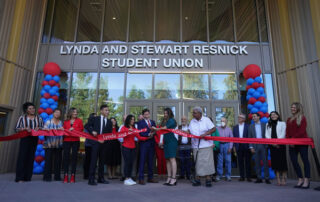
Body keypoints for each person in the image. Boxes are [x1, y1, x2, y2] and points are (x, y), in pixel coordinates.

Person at [15, 102, 44, 182]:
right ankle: (19, 177)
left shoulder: (39, 118)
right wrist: (24, 128)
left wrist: (39, 128)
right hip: (25, 138)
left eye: (33, 108)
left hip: (34, 139)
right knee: (22, 157)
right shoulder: (22, 118)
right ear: (26, 110)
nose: (32, 110)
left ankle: (27, 177)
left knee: (31, 157)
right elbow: (17, 128)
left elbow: (42, 128)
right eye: (30, 109)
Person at [120, 115, 152, 185]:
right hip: (126, 147)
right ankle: (126, 179)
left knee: (131, 163)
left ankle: (129, 178)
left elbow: (139, 137)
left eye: (133, 119)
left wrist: (147, 137)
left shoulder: (134, 128)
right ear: (128, 120)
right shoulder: (124, 127)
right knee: (127, 163)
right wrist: (128, 130)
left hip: (133, 147)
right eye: (131, 119)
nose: (133, 121)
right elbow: (121, 135)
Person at [188, 107, 216, 187]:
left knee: (207, 163)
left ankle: (208, 180)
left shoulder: (206, 120)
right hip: (196, 145)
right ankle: (197, 180)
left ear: (200, 113)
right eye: (193, 113)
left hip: (206, 145)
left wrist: (206, 134)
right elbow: (189, 131)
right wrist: (184, 132)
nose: (193, 114)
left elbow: (213, 129)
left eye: (195, 113)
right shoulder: (192, 121)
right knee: (198, 163)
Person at [286, 102, 310, 189]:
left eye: (294, 108)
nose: (292, 109)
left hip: (302, 143)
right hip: (292, 144)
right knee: (294, 161)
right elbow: (287, 132)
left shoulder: (302, 118)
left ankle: (307, 180)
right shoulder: (289, 119)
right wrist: (289, 141)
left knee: (305, 160)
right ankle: (300, 178)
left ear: (298, 108)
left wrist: (293, 139)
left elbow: (302, 131)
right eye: (291, 107)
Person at [87, 105, 112, 185]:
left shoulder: (109, 122)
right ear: (101, 111)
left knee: (102, 162)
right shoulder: (95, 118)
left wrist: (105, 140)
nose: (107, 112)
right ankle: (91, 179)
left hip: (104, 144)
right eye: (106, 110)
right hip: (95, 143)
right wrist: (92, 131)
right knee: (93, 161)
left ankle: (101, 178)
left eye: (108, 110)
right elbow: (87, 126)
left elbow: (109, 133)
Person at [153, 108, 178, 186]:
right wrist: (160, 141)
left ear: (170, 113)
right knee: (167, 160)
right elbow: (162, 133)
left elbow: (165, 128)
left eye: (166, 113)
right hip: (166, 142)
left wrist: (157, 128)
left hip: (172, 142)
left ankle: (174, 178)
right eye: (164, 113)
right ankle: (169, 177)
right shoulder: (165, 121)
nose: (165, 115)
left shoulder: (172, 120)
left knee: (172, 159)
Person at [265, 111, 287, 186]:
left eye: (274, 114)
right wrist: (273, 144)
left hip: (281, 145)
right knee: (275, 163)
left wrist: (277, 143)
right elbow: (267, 135)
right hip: (272, 146)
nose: (273, 116)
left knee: (282, 163)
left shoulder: (282, 123)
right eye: (271, 115)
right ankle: (278, 180)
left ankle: (284, 179)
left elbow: (283, 134)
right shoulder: (268, 124)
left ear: (278, 115)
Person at [136, 109, 157, 185]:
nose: (147, 115)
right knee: (142, 161)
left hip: (151, 144)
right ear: (143, 115)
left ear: (149, 114)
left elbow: (156, 131)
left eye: (148, 114)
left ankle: (150, 177)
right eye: (145, 114)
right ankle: (141, 178)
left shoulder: (153, 122)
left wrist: (154, 133)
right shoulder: (140, 123)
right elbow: (140, 133)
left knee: (151, 161)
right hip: (144, 144)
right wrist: (148, 135)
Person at [248, 113, 271, 184]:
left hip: (263, 145)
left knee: (265, 162)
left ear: (258, 117)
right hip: (255, 146)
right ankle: (259, 178)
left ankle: (267, 178)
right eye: (252, 117)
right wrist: (251, 147)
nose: (253, 118)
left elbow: (268, 135)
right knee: (257, 162)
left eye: (254, 116)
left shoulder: (265, 125)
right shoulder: (251, 126)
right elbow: (250, 137)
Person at [62, 107, 83, 183]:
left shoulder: (79, 121)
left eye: (76, 112)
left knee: (74, 158)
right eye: (74, 112)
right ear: (70, 113)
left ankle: (73, 176)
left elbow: (81, 130)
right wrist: (68, 130)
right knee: (66, 158)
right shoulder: (65, 121)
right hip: (67, 140)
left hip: (75, 141)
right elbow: (63, 131)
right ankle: (66, 175)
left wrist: (73, 129)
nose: (75, 113)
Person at [43, 109, 64, 181]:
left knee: (58, 161)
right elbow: (44, 131)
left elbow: (64, 132)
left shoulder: (61, 122)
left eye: (59, 113)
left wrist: (63, 129)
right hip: (49, 144)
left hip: (59, 144)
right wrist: (47, 130)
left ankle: (57, 177)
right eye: (56, 112)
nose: (57, 114)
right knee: (48, 160)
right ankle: (47, 177)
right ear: (53, 113)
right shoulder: (48, 122)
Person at [233, 114, 251, 182]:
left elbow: (250, 136)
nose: (239, 118)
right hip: (238, 146)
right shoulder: (235, 127)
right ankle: (242, 176)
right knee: (240, 162)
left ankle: (248, 177)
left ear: (244, 119)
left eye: (240, 117)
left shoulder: (248, 126)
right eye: (238, 117)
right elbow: (234, 138)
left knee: (247, 162)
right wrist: (234, 146)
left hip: (246, 146)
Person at [177, 116, 191, 180]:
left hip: (188, 146)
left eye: (184, 119)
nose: (183, 120)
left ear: (187, 120)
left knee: (188, 161)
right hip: (181, 146)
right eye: (182, 119)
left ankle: (188, 175)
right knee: (181, 161)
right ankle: (182, 175)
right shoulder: (179, 127)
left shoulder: (190, 127)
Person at [83, 113, 96, 180]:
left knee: (93, 160)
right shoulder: (87, 126)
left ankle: (92, 174)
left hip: (95, 145)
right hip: (88, 145)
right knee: (88, 160)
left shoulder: (96, 125)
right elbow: (86, 135)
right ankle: (86, 175)